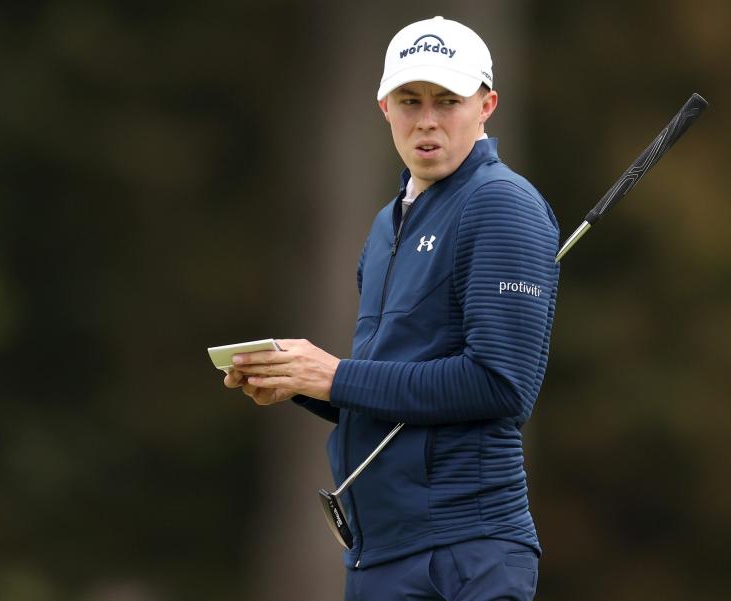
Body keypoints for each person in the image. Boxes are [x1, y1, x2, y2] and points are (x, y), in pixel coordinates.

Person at [223, 16, 560, 601]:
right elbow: (395, 396)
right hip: (380, 552)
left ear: (487, 105)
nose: (427, 120)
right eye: (410, 100)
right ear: (384, 106)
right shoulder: (387, 224)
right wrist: (301, 382)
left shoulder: (502, 205)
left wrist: (334, 375)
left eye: (447, 100)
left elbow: (501, 385)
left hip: (466, 553)